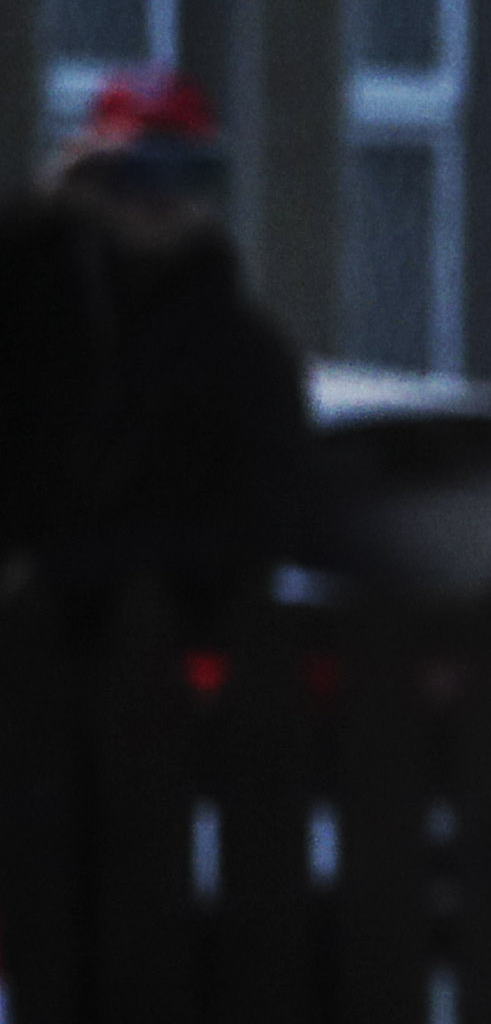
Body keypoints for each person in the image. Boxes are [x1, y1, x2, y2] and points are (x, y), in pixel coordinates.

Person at [0, 68, 313, 623]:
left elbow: (257, 524)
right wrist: (40, 212)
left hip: (161, 642)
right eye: (135, 173)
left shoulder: (242, 354)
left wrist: (68, 567)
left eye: (186, 174)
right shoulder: (35, 320)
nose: (158, 198)